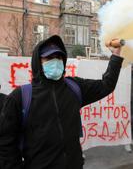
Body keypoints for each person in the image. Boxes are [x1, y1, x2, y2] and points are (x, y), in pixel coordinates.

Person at [0, 35, 124, 169]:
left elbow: (106, 85)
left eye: (59, 57)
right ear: (38, 62)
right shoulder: (20, 97)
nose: (56, 61)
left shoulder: (74, 87)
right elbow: (6, 145)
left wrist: (115, 57)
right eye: (49, 58)